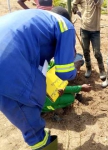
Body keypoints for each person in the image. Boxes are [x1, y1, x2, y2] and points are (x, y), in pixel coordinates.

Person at [0, 7, 77, 150]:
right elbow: (65, 73)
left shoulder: (36, 17)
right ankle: (40, 139)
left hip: (8, 57)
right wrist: (74, 69)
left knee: (10, 101)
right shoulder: (65, 24)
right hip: (8, 64)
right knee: (33, 127)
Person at [71, 0, 106, 80]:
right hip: (84, 29)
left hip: (95, 31)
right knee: (85, 51)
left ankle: (102, 70)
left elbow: (99, 4)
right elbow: (74, 4)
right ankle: (88, 68)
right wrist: (77, 12)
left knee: (97, 52)